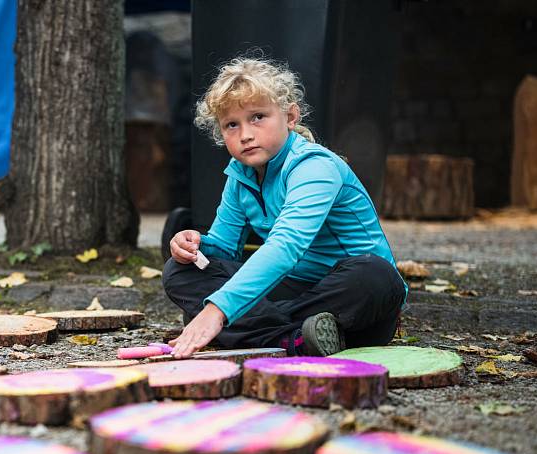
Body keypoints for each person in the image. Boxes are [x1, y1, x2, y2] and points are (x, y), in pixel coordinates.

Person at [164, 56, 407, 359]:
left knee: (376, 276)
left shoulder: (315, 167)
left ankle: (248, 331)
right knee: (180, 270)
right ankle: (293, 339)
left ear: (290, 117)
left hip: (354, 300)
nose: (245, 134)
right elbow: (224, 250)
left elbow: (285, 246)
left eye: (257, 117)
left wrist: (217, 311)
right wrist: (192, 246)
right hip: (297, 291)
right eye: (231, 125)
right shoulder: (240, 175)